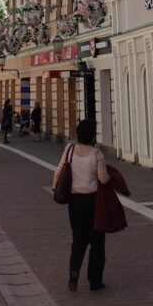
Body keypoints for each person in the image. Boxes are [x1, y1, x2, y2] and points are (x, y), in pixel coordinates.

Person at [53, 118, 110, 292]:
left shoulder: (69, 150)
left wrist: (55, 188)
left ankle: (74, 273)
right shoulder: (96, 153)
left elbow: (59, 171)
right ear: (93, 135)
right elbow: (103, 178)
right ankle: (95, 280)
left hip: (74, 202)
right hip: (92, 202)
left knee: (78, 240)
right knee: (97, 240)